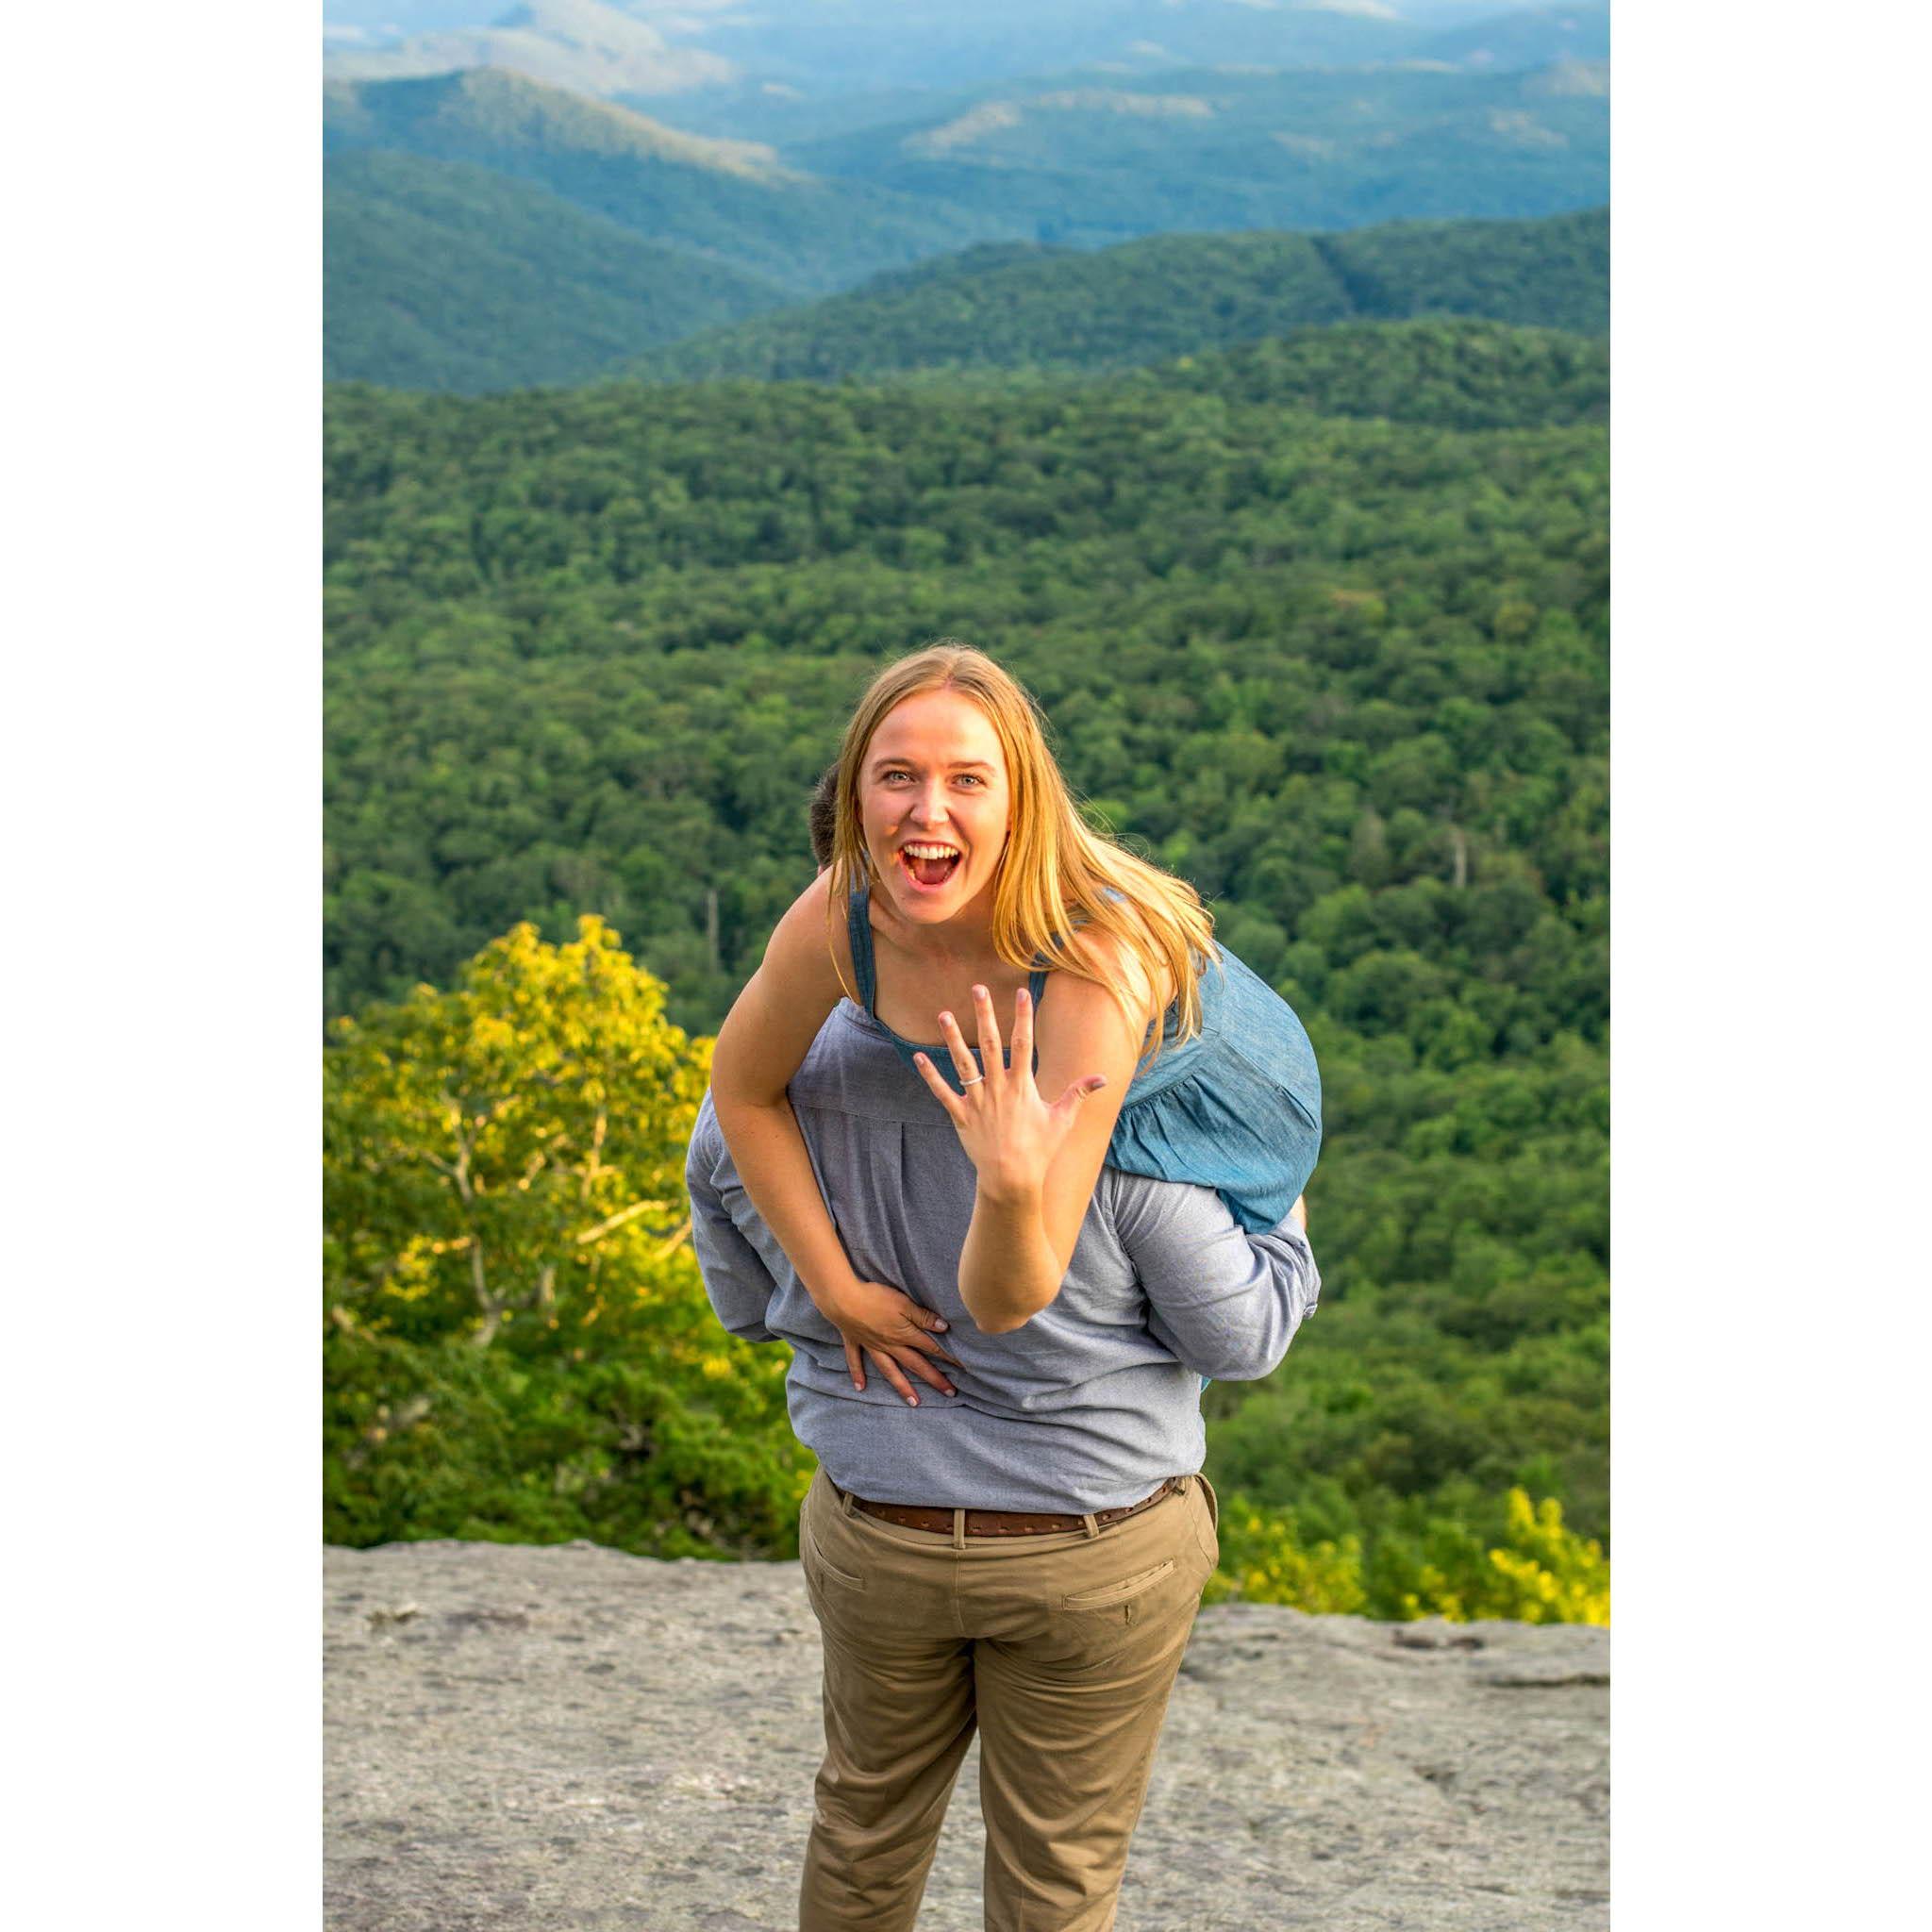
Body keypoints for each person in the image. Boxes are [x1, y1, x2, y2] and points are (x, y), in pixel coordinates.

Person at [685, 987, 1321, 1930]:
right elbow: (1239, 1339)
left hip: (878, 1532)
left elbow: (743, 1307)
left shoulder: (759, 1096)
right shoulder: (1108, 1111)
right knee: (1056, 1867)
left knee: (862, 1823)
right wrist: (1278, 1203)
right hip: (1090, 1551)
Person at [709, 641, 1321, 1405]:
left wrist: (1006, 1185)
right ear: (855, 797)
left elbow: (1008, 1305)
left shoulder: (1092, 966)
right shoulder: (837, 914)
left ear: (1018, 804)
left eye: (968, 780)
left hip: (1205, 1093)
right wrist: (834, 1289)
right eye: (897, 776)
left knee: (1231, 1340)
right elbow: (740, 1089)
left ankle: (1284, 1227)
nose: (926, 810)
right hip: (1036, 1062)